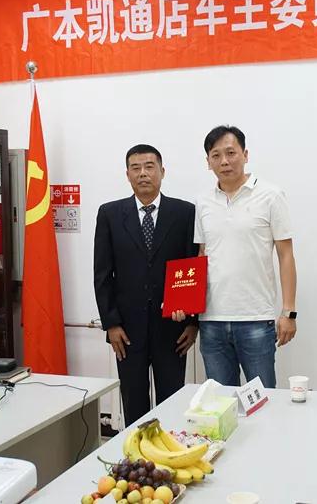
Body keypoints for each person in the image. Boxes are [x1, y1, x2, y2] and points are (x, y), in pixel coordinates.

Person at [93, 144, 198, 426]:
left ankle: (170, 448)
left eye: (149, 167)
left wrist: (192, 322)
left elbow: (193, 267)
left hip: (173, 329)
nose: (143, 173)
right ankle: (137, 450)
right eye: (136, 168)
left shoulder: (185, 212)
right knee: (133, 402)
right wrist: (111, 324)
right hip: (126, 331)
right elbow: (102, 274)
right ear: (127, 174)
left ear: (162, 171)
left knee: (172, 401)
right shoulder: (110, 214)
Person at [194, 125, 298, 388]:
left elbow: (286, 255)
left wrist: (289, 312)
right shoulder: (203, 202)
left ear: (245, 154)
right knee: (220, 404)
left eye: (231, 152)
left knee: (263, 402)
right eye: (216, 155)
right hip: (212, 322)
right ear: (208, 162)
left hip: (255, 319)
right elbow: (202, 255)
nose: (224, 161)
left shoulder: (271, 195)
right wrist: (186, 301)